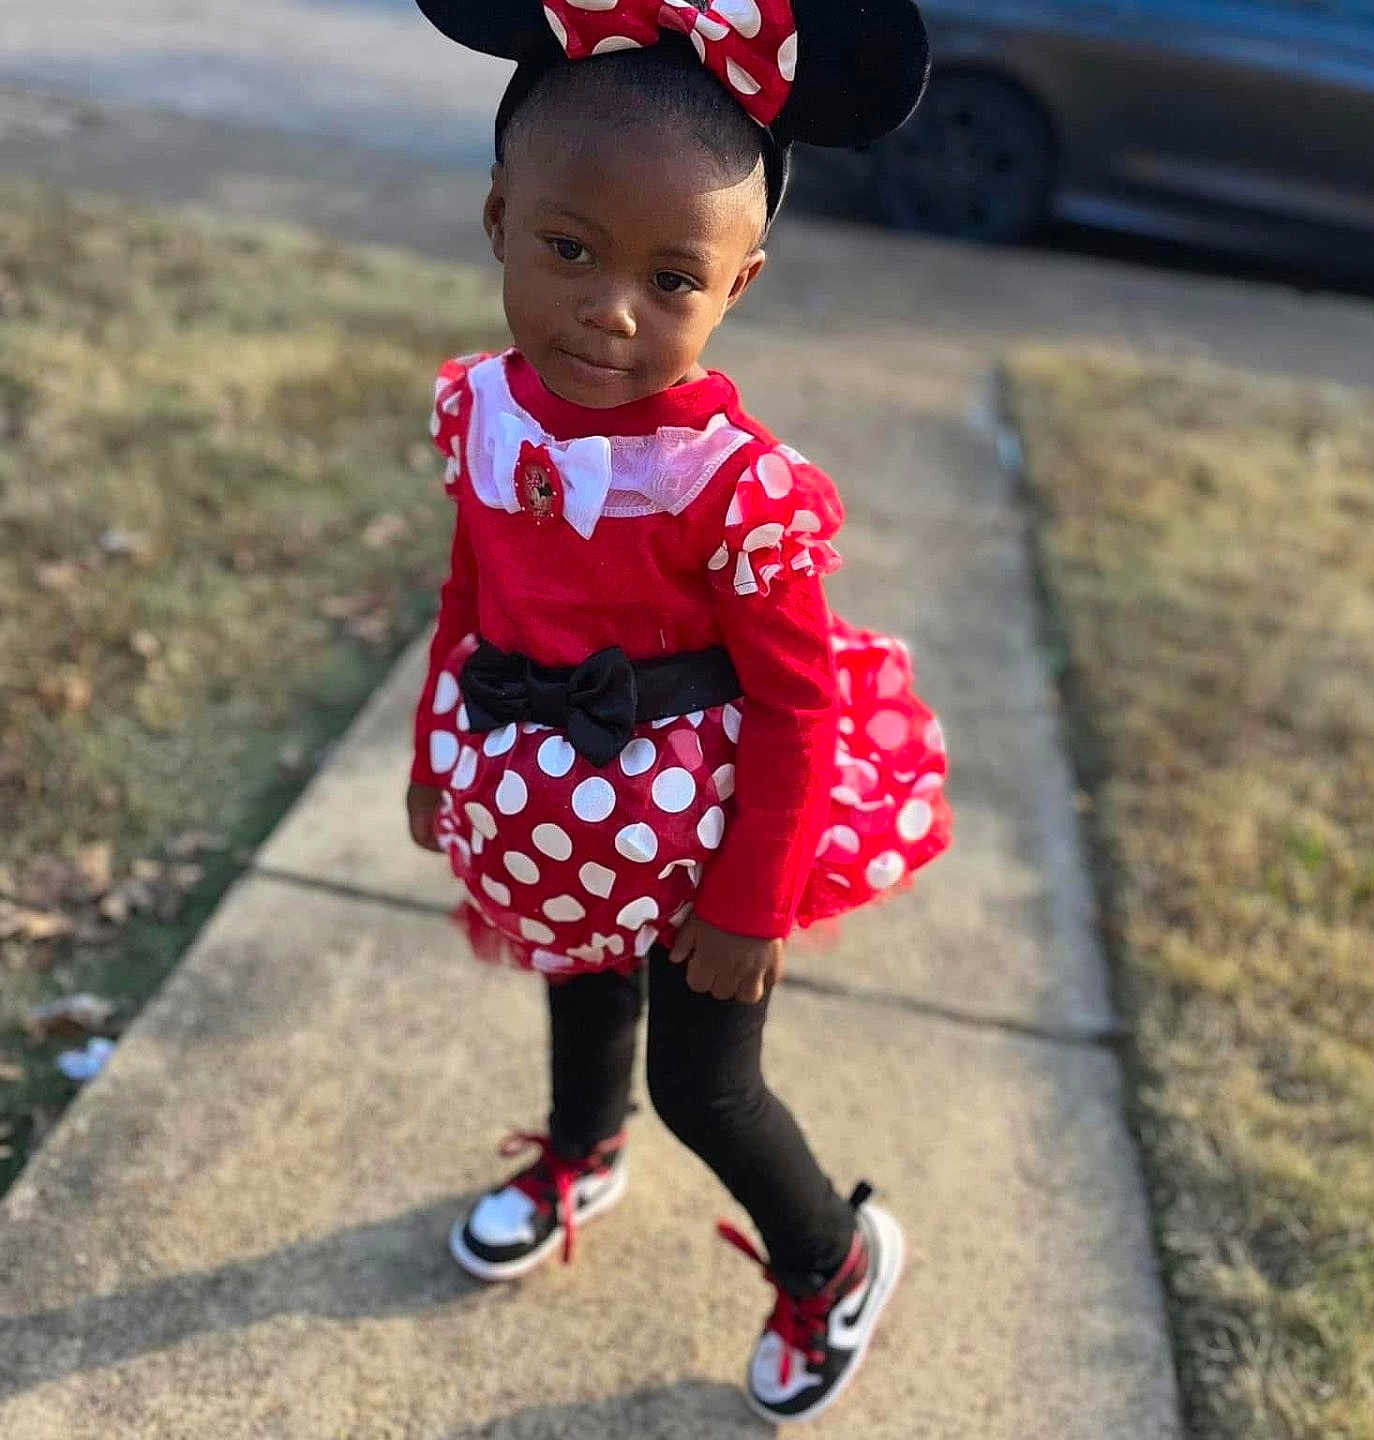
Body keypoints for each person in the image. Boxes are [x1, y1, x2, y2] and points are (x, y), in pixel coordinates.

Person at [405, 0, 944, 1421]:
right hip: (548, 801)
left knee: (709, 1084)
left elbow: (795, 697)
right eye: (570, 250)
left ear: (739, 286)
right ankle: (583, 1147)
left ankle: (831, 1254)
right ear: (499, 216)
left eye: (672, 278)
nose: (611, 310)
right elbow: (472, 586)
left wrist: (752, 901)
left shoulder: (730, 486)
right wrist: (433, 755)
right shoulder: (489, 410)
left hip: (701, 837)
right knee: (578, 986)